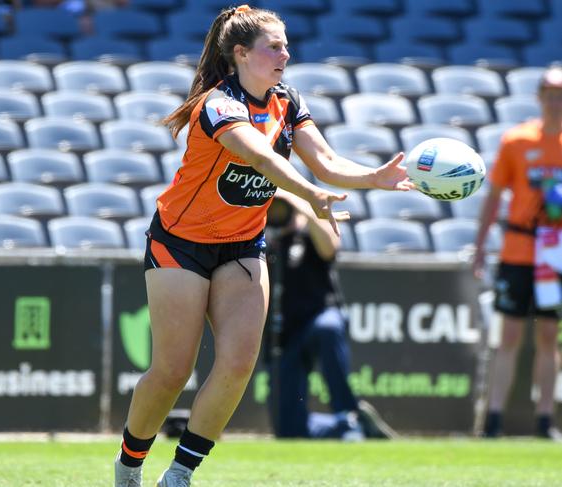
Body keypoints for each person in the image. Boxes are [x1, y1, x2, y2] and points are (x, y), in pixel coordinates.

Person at [114, 5, 413, 487]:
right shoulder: (217, 103)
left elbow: (329, 162)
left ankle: (179, 475)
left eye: (286, 45)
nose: (285, 54)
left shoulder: (288, 102)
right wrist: (309, 193)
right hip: (180, 242)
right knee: (172, 371)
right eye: (274, 46)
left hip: (242, 245)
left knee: (236, 364)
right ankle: (129, 465)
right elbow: (258, 155)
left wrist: (374, 178)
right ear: (240, 54)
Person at [473, 66, 562, 440]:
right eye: (551, 93)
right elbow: (494, 196)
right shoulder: (517, 141)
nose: (556, 101)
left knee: (547, 335)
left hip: (556, 253)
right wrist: (480, 246)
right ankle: (492, 419)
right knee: (508, 335)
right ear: (540, 96)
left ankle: (545, 419)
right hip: (518, 248)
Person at [266, 190, 397, 441]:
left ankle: (348, 415)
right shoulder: (267, 240)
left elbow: (330, 249)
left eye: (283, 208)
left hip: (320, 315)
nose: (279, 213)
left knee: (328, 329)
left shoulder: (308, 232)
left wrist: (302, 207)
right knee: (288, 431)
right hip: (284, 330)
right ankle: (350, 426)